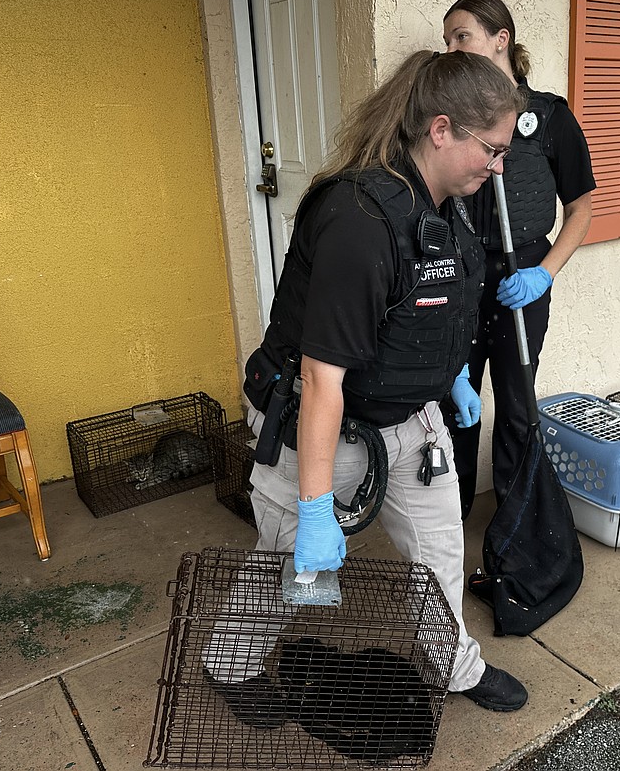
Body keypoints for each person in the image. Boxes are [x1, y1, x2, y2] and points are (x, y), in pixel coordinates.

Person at [202, 49, 529, 719]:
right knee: (295, 563)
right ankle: (229, 665)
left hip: (410, 419)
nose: (499, 166)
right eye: (491, 149)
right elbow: (324, 379)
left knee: (439, 549)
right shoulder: (359, 220)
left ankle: (454, 664)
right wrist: (319, 509)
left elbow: (432, 312)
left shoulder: (446, 202)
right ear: (442, 130)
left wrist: (454, 380)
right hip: (323, 424)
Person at [442, 0, 596, 519]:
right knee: (455, 408)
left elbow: (582, 209)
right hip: (460, 278)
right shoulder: (452, 124)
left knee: (514, 406)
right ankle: (450, 520)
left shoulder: (549, 117)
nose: (452, 48)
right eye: (448, 41)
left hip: (523, 275)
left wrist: (543, 275)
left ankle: (512, 531)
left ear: (500, 39)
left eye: (462, 36)